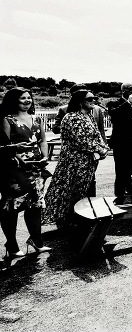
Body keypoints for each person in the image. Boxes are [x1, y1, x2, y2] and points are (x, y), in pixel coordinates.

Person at [43, 88, 109, 227]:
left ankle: (83, 222)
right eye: (90, 99)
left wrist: (103, 147)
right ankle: (70, 223)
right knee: (71, 192)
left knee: (85, 190)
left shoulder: (89, 116)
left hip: (88, 161)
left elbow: (97, 134)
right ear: (80, 102)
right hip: (74, 162)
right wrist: (101, 150)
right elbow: (82, 141)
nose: (94, 101)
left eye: (94, 98)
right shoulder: (71, 117)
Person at [0, 88, 50, 261]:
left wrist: (45, 157)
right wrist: (21, 160)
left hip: (36, 169)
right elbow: (5, 146)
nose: (27, 101)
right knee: (11, 208)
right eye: (22, 98)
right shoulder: (7, 120)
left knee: (35, 206)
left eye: (29, 98)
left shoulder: (36, 118)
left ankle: (37, 241)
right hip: (15, 170)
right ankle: (11, 244)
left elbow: (43, 140)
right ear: (14, 100)